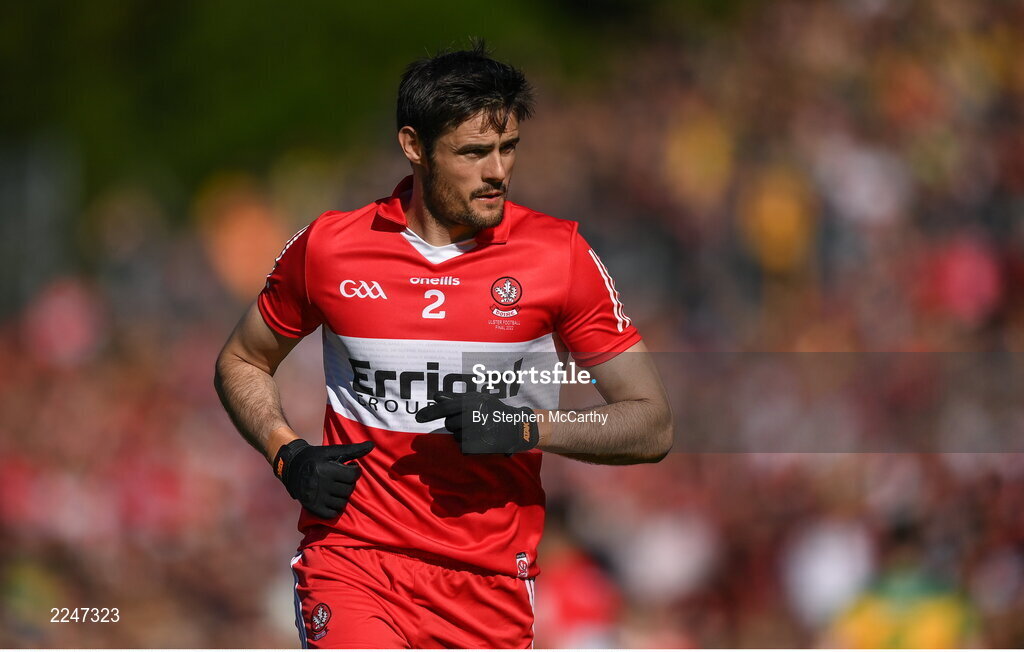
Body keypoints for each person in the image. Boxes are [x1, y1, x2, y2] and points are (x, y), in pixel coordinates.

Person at [214, 41, 673, 649]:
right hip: (354, 560)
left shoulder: (558, 255)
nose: (498, 172)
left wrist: (525, 429)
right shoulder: (330, 246)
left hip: (489, 583)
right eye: (474, 153)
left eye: (508, 149)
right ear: (414, 146)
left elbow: (651, 425)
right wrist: (287, 454)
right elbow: (242, 359)